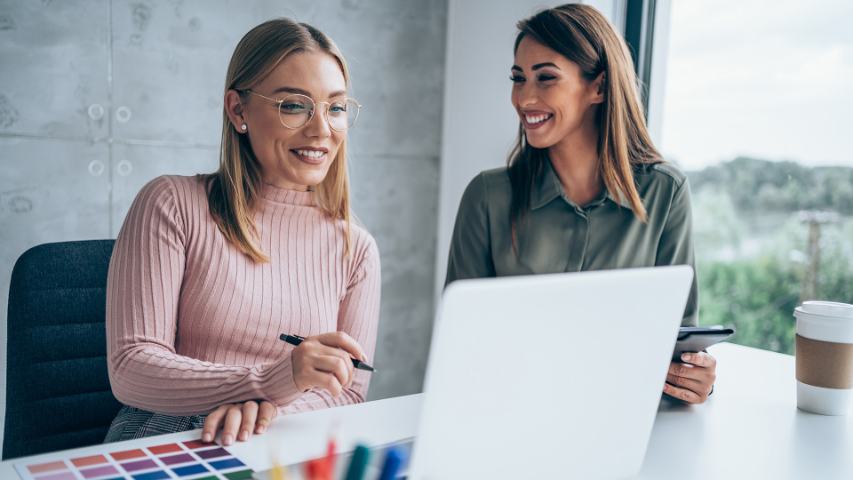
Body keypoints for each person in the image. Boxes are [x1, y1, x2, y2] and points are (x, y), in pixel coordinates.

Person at [104, 18, 381, 445]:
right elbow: (132, 366)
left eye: (336, 107)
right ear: (238, 110)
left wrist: (261, 411)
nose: (321, 129)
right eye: (294, 105)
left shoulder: (355, 248)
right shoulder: (171, 203)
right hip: (168, 436)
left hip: (282, 443)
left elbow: (347, 392)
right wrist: (268, 382)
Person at [445, 4, 716, 404]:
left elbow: (678, 339)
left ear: (600, 87)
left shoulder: (665, 192)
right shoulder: (486, 197)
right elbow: (461, 345)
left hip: (626, 422)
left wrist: (696, 377)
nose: (525, 97)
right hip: (511, 414)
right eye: (518, 78)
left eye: (546, 78)